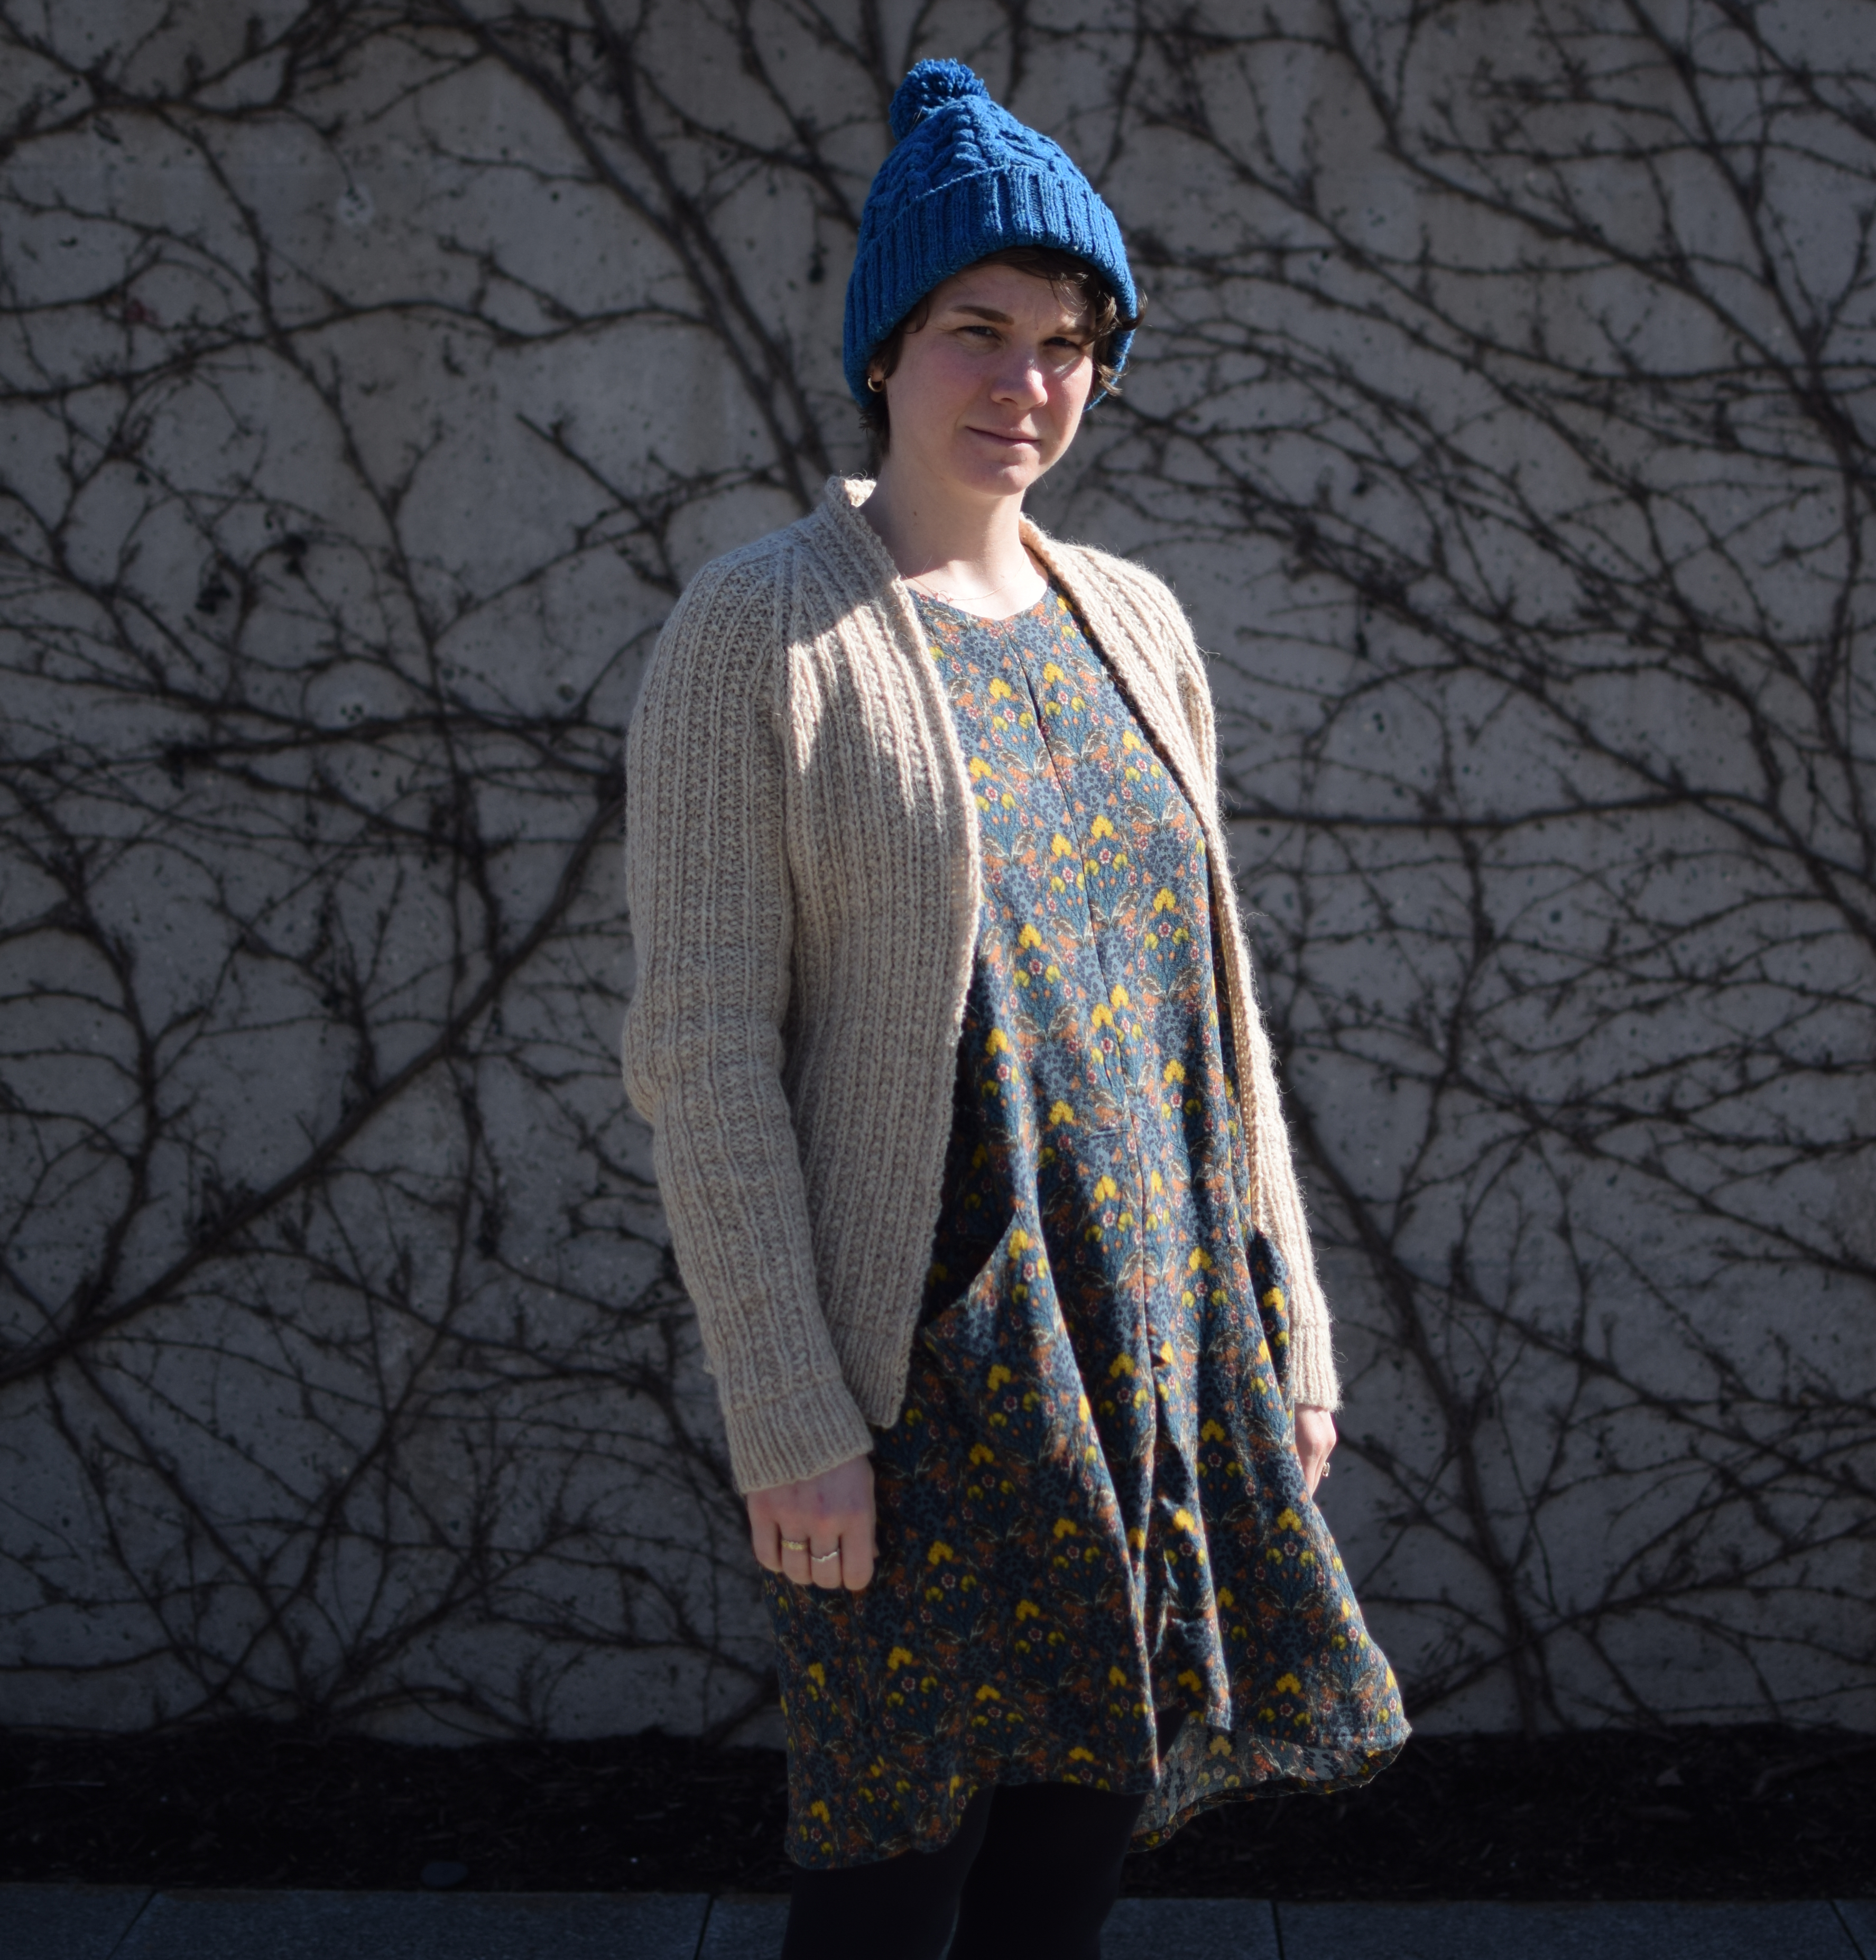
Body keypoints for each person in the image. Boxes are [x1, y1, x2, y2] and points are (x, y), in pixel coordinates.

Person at [622, 58, 1406, 1960]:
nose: (1025, 382)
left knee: (1064, 1889)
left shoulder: (1134, 616)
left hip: (1145, 1349)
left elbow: (1208, 1009)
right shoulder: (762, 628)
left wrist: (1280, 1313)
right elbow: (701, 1052)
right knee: (890, 1895)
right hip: (926, 1385)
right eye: (979, 328)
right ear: (887, 345)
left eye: (1069, 342)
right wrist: (788, 1410)